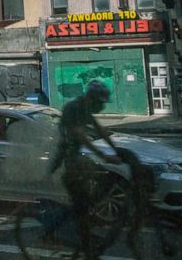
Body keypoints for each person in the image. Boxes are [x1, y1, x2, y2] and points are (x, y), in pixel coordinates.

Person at [52, 80, 122, 259]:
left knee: (96, 189)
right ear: (92, 98)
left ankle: (86, 234)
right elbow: (80, 136)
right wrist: (105, 155)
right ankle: (85, 246)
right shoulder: (75, 107)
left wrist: (117, 150)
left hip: (77, 160)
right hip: (69, 161)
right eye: (100, 102)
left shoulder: (85, 108)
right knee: (81, 207)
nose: (102, 106)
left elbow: (100, 130)